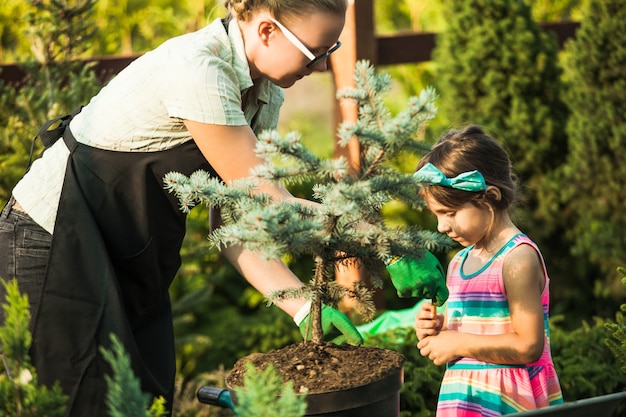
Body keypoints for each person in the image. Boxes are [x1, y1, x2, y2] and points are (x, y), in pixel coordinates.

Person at [0, 1, 362, 415]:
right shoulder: (200, 70)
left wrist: (300, 306)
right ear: (267, 31)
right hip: (51, 244)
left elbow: (237, 225)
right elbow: (268, 200)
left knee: (144, 400)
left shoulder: (264, 93)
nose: (319, 67)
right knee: (77, 402)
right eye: (315, 51)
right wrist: (377, 238)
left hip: (125, 255)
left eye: (330, 52)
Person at [413, 125, 563, 416]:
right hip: (466, 398)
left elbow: (529, 345)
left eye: (450, 213)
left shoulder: (518, 259)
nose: (441, 226)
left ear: (489, 197)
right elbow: (479, 326)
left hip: (507, 399)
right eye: (437, 215)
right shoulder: (458, 263)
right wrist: (441, 327)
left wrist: (458, 342)